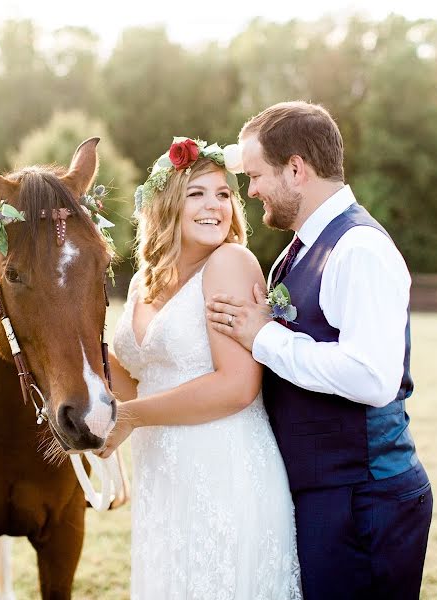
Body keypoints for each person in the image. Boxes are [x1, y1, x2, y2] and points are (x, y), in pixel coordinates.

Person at [206, 101, 433, 599]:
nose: (253, 190)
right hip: (324, 493)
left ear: (295, 169)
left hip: (364, 498)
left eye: (258, 175)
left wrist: (263, 338)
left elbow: (372, 379)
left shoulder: (359, 250)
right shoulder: (298, 249)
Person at [98, 137, 302, 599]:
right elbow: (133, 378)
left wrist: (129, 417)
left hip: (223, 471)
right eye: (197, 193)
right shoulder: (142, 282)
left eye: (224, 194)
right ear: (166, 205)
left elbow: (236, 386)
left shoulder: (230, 263)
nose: (215, 206)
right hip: (165, 480)